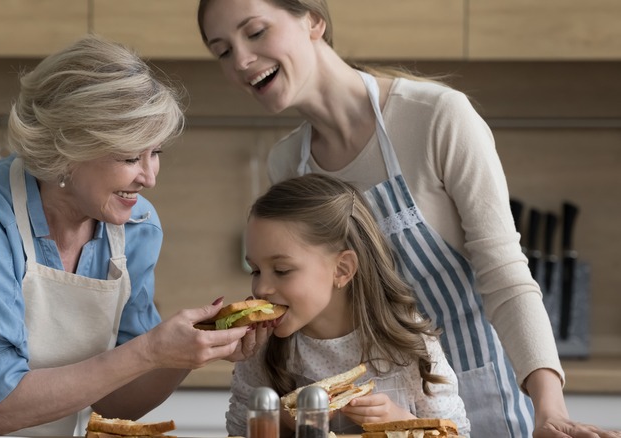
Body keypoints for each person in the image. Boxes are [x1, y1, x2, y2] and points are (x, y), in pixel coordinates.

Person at [198, 1, 621, 437]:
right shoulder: (289, 162)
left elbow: (505, 274)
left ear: (314, 21)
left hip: (481, 385)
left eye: (255, 32)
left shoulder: (436, 117)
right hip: (372, 401)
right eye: (222, 50)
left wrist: (549, 410)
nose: (241, 61)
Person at [0, 34, 260, 436]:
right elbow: (3, 407)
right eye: (131, 156)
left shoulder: (136, 227)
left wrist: (186, 353)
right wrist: (150, 350)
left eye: (156, 153)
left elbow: (115, 402)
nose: (149, 178)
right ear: (66, 150)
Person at [228, 173, 470, 436]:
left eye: (282, 270)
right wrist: (281, 422)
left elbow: (457, 433)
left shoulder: (407, 342)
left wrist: (400, 422)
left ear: (342, 269)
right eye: (255, 271)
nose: (262, 288)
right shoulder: (260, 349)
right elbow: (239, 430)